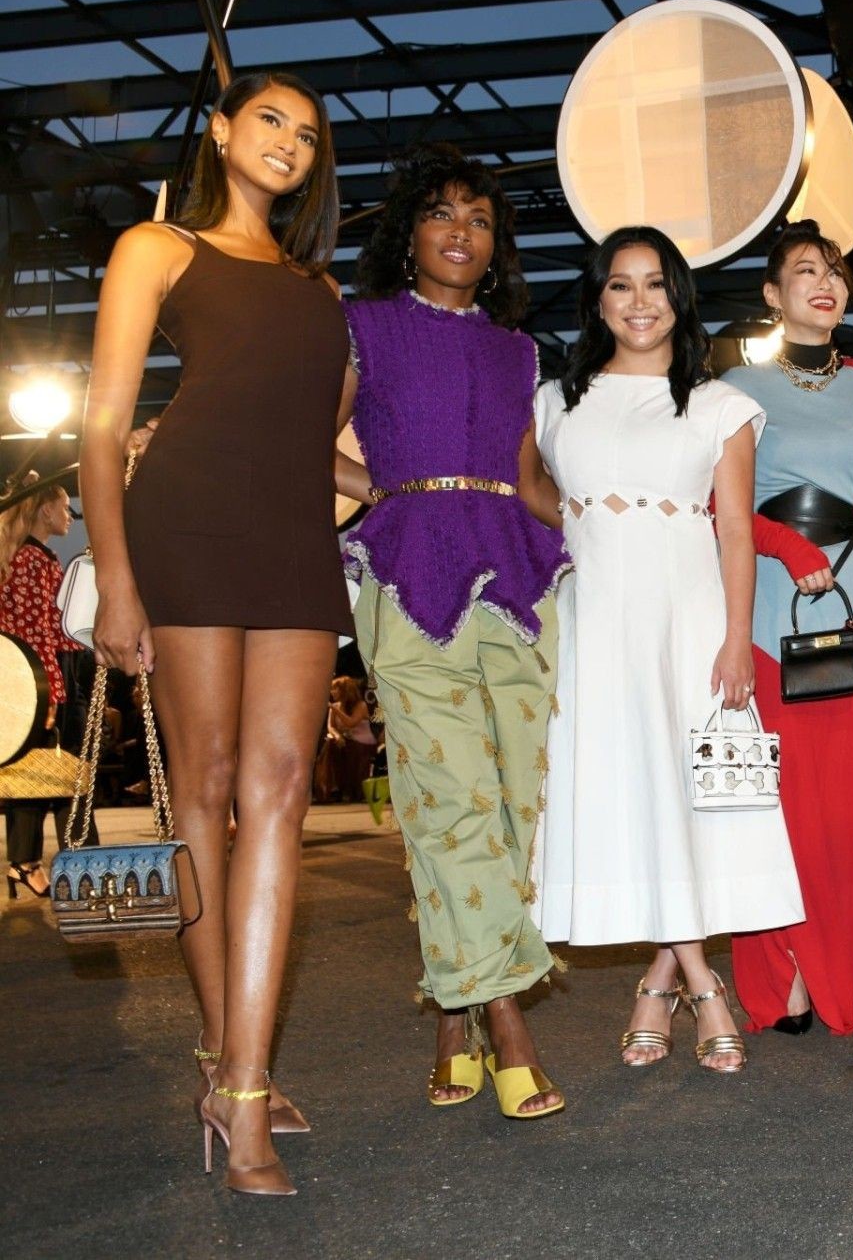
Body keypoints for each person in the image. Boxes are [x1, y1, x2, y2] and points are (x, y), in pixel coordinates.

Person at [82, 70, 346, 1196]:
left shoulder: (318, 285)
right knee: (205, 790)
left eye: (309, 134)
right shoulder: (158, 247)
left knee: (282, 790)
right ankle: (231, 1069)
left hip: (293, 539)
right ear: (222, 130)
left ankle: (241, 1075)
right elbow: (104, 425)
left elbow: (318, 428)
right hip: (185, 523)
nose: (289, 142)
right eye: (269, 120)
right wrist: (118, 581)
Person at [529, 226, 803, 1074]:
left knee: (690, 801)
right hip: (592, 625)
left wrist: (736, 640)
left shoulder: (720, 405)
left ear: (679, 299)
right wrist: (574, 527)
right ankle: (695, 977)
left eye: (656, 284)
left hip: (689, 623)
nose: (639, 301)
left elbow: (736, 531)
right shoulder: (552, 401)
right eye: (621, 284)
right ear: (598, 299)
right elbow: (525, 486)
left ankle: (673, 981)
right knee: (632, 795)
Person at [333, 144, 569, 1117]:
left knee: (514, 803)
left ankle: (452, 1011)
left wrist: (620, 526)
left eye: (479, 217)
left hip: (517, 573)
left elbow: (529, 477)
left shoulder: (519, 350)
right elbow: (308, 444)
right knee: (448, 799)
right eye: (442, 213)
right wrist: (388, 494)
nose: (462, 231)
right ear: (409, 233)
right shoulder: (365, 327)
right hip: (409, 568)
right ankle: (508, 1026)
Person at [720, 220, 853, 1035]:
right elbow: (721, 506)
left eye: (834, 271)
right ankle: (788, 970)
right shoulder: (735, 389)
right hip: (771, 607)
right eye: (805, 271)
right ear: (773, 294)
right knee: (784, 801)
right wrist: (791, 546)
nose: (825, 283)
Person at [1, 480, 95, 897]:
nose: (70, 516)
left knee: (45, 772)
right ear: (44, 511)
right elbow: (35, 633)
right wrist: (50, 693)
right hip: (44, 678)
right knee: (56, 772)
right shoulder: (32, 560)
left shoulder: (28, 556)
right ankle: (75, 862)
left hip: (39, 677)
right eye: (64, 508)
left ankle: (33, 861)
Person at [312, 676, 375, 803]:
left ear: (346, 691)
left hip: (362, 743)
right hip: (345, 742)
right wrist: (337, 736)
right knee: (331, 744)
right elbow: (331, 727)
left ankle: (342, 790)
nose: (332, 692)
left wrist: (336, 710)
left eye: (335, 689)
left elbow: (351, 723)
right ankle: (330, 788)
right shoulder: (335, 706)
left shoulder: (361, 705)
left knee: (345, 748)